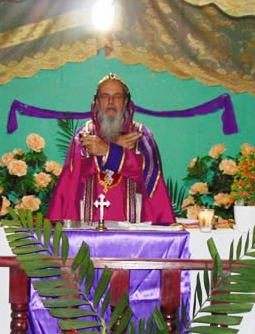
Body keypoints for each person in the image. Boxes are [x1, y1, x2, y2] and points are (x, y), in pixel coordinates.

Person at [46, 73, 175, 224]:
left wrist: (107, 151)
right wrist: (116, 149)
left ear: (126, 101)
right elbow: (74, 177)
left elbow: (149, 178)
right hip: (88, 221)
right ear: (96, 102)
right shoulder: (83, 134)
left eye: (117, 96)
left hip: (133, 224)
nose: (111, 101)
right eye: (105, 96)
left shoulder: (140, 134)